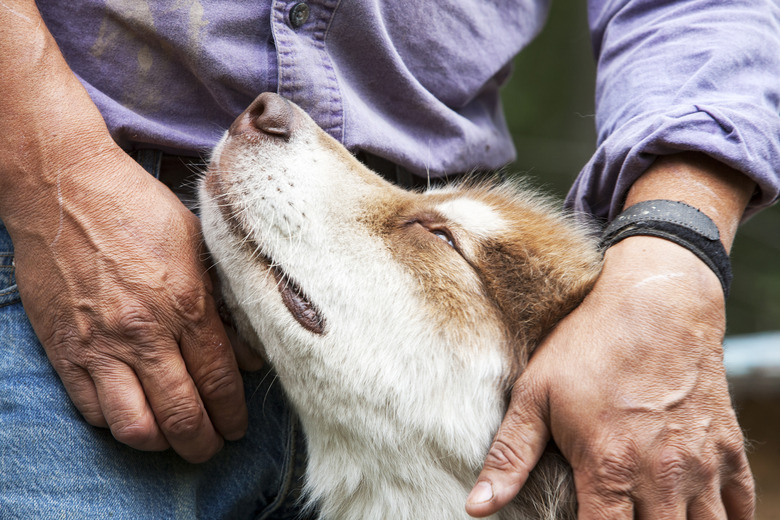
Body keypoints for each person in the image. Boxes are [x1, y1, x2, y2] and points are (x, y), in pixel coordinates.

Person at [0, 1, 777, 518]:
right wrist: (51, 163)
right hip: (70, 266)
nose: (280, 121)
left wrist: (675, 251)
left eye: (438, 238)